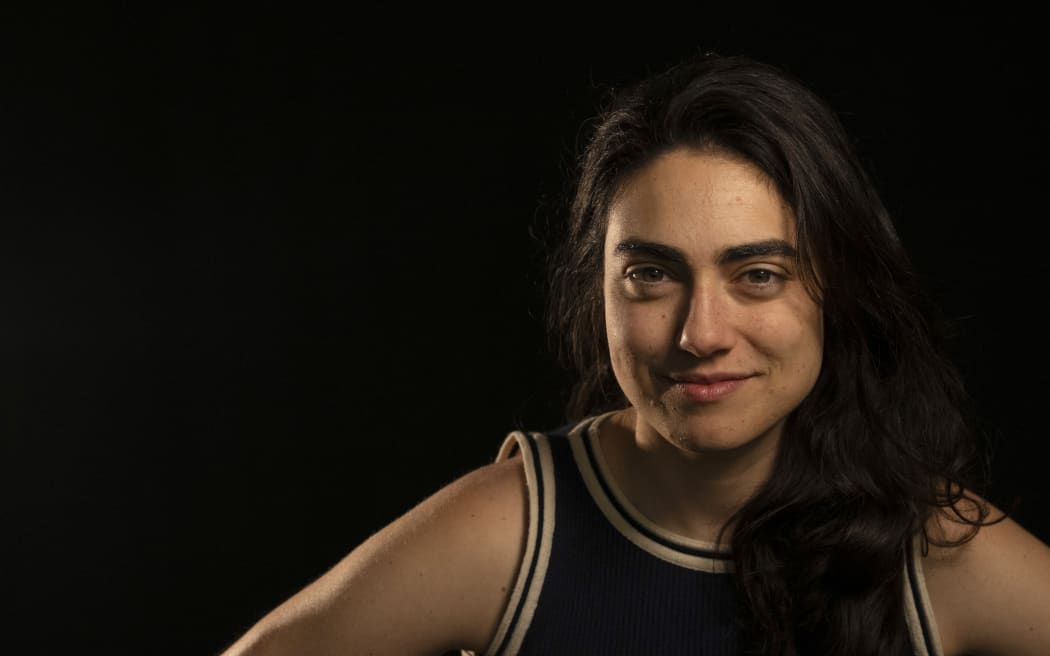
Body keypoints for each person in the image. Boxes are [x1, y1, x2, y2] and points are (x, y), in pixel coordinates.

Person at [220, 53, 1050, 655]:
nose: (700, 333)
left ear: (838, 288)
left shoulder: (936, 545)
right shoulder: (514, 531)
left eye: (758, 274)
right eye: (652, 275)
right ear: (601, 291)